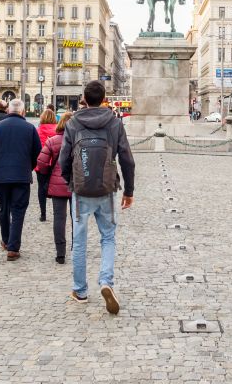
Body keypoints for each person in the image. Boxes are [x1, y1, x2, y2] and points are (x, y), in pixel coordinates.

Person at [59, 80, 135, 314]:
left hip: (81, 191)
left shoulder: (73, 122)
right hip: (106, 188)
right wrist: (129, 191)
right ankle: (106, 282)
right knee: (108, 238)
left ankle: (80, 290)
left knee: (80, 241)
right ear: (104, 98)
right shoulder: (113, 122)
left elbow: (64, 158)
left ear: (84, 98)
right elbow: (127, 158)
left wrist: (70, 181)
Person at [0, 99, 41, 261]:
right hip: (21, 177)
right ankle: (13, 248)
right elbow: (37, 153)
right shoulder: (30, 128)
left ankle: (6, 240)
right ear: (23, 112)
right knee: (18, 211)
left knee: (4, 209)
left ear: (9, 111)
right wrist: (29, 167)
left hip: (1, 177)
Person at [36, 111, 73, 264]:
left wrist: (46, 175)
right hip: (77, 184)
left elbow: (42, 163)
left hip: (57, 184)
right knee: (77, 218)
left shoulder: (52, 141)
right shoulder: (80, 140)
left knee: (59, 218)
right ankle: (77, 249)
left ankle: (60, 253)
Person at [35, 108, 58, 221]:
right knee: (55, 188)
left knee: (41, 188)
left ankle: (43, 213)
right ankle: (56, 212)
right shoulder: (58, 131)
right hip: (55, 164)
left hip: (41, 164)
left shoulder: (37, 131)